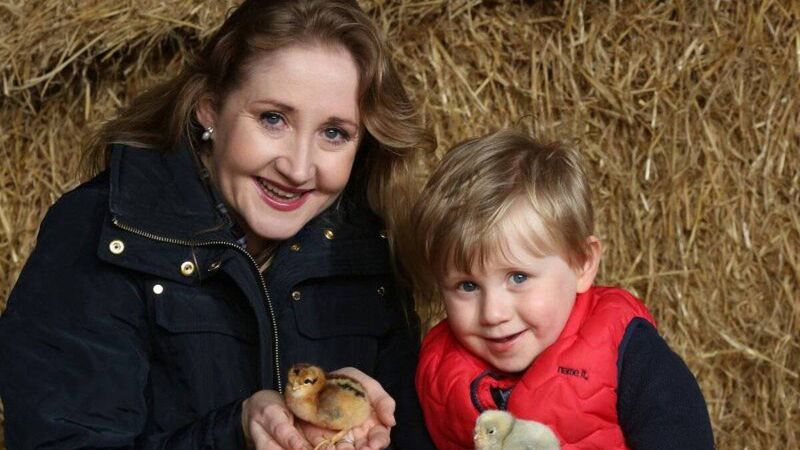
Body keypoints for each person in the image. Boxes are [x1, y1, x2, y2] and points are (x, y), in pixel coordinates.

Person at [0, 1, 436, 449]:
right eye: (273, 119)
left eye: (334, 133)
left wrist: (356, 420)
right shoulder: (101, 232)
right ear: (209, 108)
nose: (299, 169)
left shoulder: (367, 244)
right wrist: (236, 432)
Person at [404, 130, 715, 449]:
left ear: (582, 263)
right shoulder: (434, 370)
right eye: (467, 285)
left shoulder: (629, 355)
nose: (493, 313)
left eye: (518, 277)